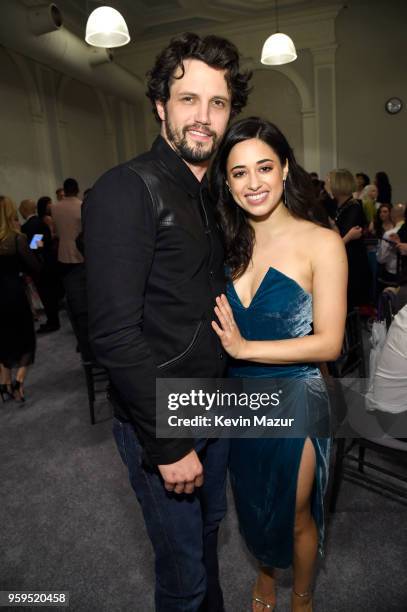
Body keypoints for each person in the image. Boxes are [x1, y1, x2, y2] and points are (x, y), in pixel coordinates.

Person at [83, 32, 251, 612]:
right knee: (184, 579)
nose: (203, 117)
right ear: (161, 105)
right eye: (188, 100)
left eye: (218, 103)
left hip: (213, 404)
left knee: (207, 544)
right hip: (163, 418)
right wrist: (169, 442)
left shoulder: (209, 192)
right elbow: (112, 334)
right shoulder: (129, 188)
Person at [210, 117, 347, 612]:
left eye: (264, 167)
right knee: (251, 504)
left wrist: (245, 348)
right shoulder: (223, 244)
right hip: (240, 396)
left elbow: (329, 343)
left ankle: (303, 597)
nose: (253, 183)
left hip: (296, 393)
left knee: (293, 512)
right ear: (226, 181)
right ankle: (266, 576)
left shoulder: (321, 242)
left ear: (285, 168)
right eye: (239, 172)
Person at [0, 196, 41, 402]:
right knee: (26, 341)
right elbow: (33, 266)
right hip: (14, 294)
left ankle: (3, 383)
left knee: (3, 339)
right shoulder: (16, 239)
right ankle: (18, 380)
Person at [326, 169, 371, 310]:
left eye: (329, 181)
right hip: (341, 259)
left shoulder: (354, 207)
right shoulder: (335, 205)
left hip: (352, 263)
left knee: (348, 306)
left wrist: (334, 226)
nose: (326, 184)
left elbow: (341, 238)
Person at [51, 177, 83, 280]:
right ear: (77, 190)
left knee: (69, 285)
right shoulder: (82, 205)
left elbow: (56, 230)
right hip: (80, 252)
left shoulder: (55, 207)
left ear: (64, 191)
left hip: (63, 252)